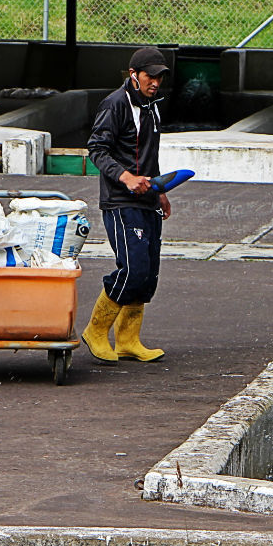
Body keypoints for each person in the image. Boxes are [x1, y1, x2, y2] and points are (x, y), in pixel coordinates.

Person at [82, 47, 172, 364]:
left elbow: (150, 155)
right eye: (151, 76)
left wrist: (160, 189)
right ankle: (96, 330)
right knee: (133, 268)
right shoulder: (115, 104)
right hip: (121, 201)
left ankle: (128, 339)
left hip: (148, 200)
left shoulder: (152, 106)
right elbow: (97, 149)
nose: (156, 83)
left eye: (160, 77)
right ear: (133, 75)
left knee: (148, 274)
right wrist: (126, 177)